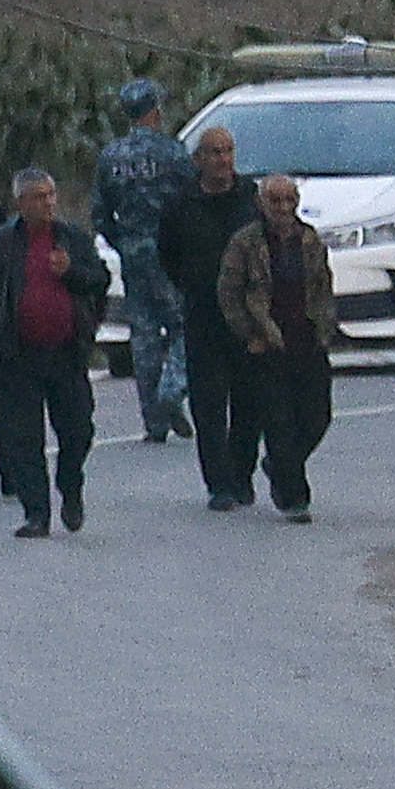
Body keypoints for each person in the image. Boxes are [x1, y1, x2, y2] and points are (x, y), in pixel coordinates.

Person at [0, 167, 111, 539]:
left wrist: (71, 273)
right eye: (39, 196)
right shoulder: (2, 244)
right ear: (21, 202)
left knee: (78, 430)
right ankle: (36, 513)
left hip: (66, 354)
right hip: (19, 358)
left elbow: (99, 282)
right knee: (23, 438)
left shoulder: (73, 239)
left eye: (51, 195)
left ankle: (70, 483)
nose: (48, 203)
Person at [219, 173, 340, 524]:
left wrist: (326, 330)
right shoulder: (245, 244)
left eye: (289, 201)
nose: (283, 209)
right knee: (279, 422)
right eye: (276, 201)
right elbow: (229, 295)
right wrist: (249, 334)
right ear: (261, 204)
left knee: (317, 416)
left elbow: (323, 287)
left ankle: (280, 466)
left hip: (308, 341)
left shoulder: (311, 241)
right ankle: (293, 497)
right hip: (267, 344)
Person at [160, 122, 265, 510]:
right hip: (203, 313)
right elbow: (167, 253)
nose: (222, 160)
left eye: (228, 151)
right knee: (208, 403)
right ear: (198, 160)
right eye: (214, 153)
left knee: (250, 402)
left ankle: (242, 473)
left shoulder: (251, 198)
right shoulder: (181, 203)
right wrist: (190, 284)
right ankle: (218, 483)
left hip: (248, 315)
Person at [93, 82, 196, 445]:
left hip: (132, 252)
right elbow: (192, 202)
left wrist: (123, 244)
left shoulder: (110, 156)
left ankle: (153, 420)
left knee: (145, 334)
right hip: (171, 252)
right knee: (187, 325)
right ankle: (171, 391)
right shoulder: (173, 153)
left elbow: (100, 214)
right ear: (154, 110)